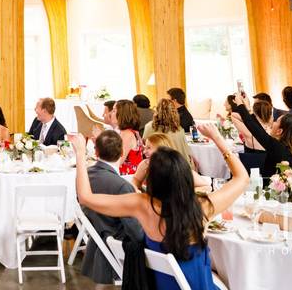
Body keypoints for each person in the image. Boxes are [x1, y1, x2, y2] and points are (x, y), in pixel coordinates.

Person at [72, 124, 248, 290]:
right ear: (186, 177)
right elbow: (242, 178)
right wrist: (217, 139)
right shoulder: (202, 207)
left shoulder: (141, 204)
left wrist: (80, 154)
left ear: (152, 180)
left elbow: (85, 198)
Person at [79, 129, 144, 285]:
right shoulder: (122, 186)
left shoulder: (85, 177)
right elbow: (137, 234)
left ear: (96, 152)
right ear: (122, 152)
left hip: (99, 236)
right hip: (117, 244)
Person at [232, 93, 292, 181]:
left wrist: (240, 104)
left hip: (271, 190)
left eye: (276, 121)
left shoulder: (278, 147)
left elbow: (254, 128)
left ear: (279, 131)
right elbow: (257, 128)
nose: (273, 122)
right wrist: (248, 108)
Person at [132, 133, 212, 192]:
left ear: (161, 150)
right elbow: (136, 179)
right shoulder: (145, 164)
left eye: (149, 148)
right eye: (145, 147)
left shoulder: (177, 167)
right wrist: (135, 188)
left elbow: (207, 187)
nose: (144, 152)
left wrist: (185, 194)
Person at [143, 99, 194, 166]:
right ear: (174, 111)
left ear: (157, 111)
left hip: (159, 165)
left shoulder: (149, 127)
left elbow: (145, 144)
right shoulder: (178, 129)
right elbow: (186, 151)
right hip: (181, 165)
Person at [114, 100, 145, 175]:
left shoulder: (127, 134)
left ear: (121, 114)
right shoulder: (131, 132)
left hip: (128, 179)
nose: (110, 114)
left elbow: (117, 162)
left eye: (114, 110)